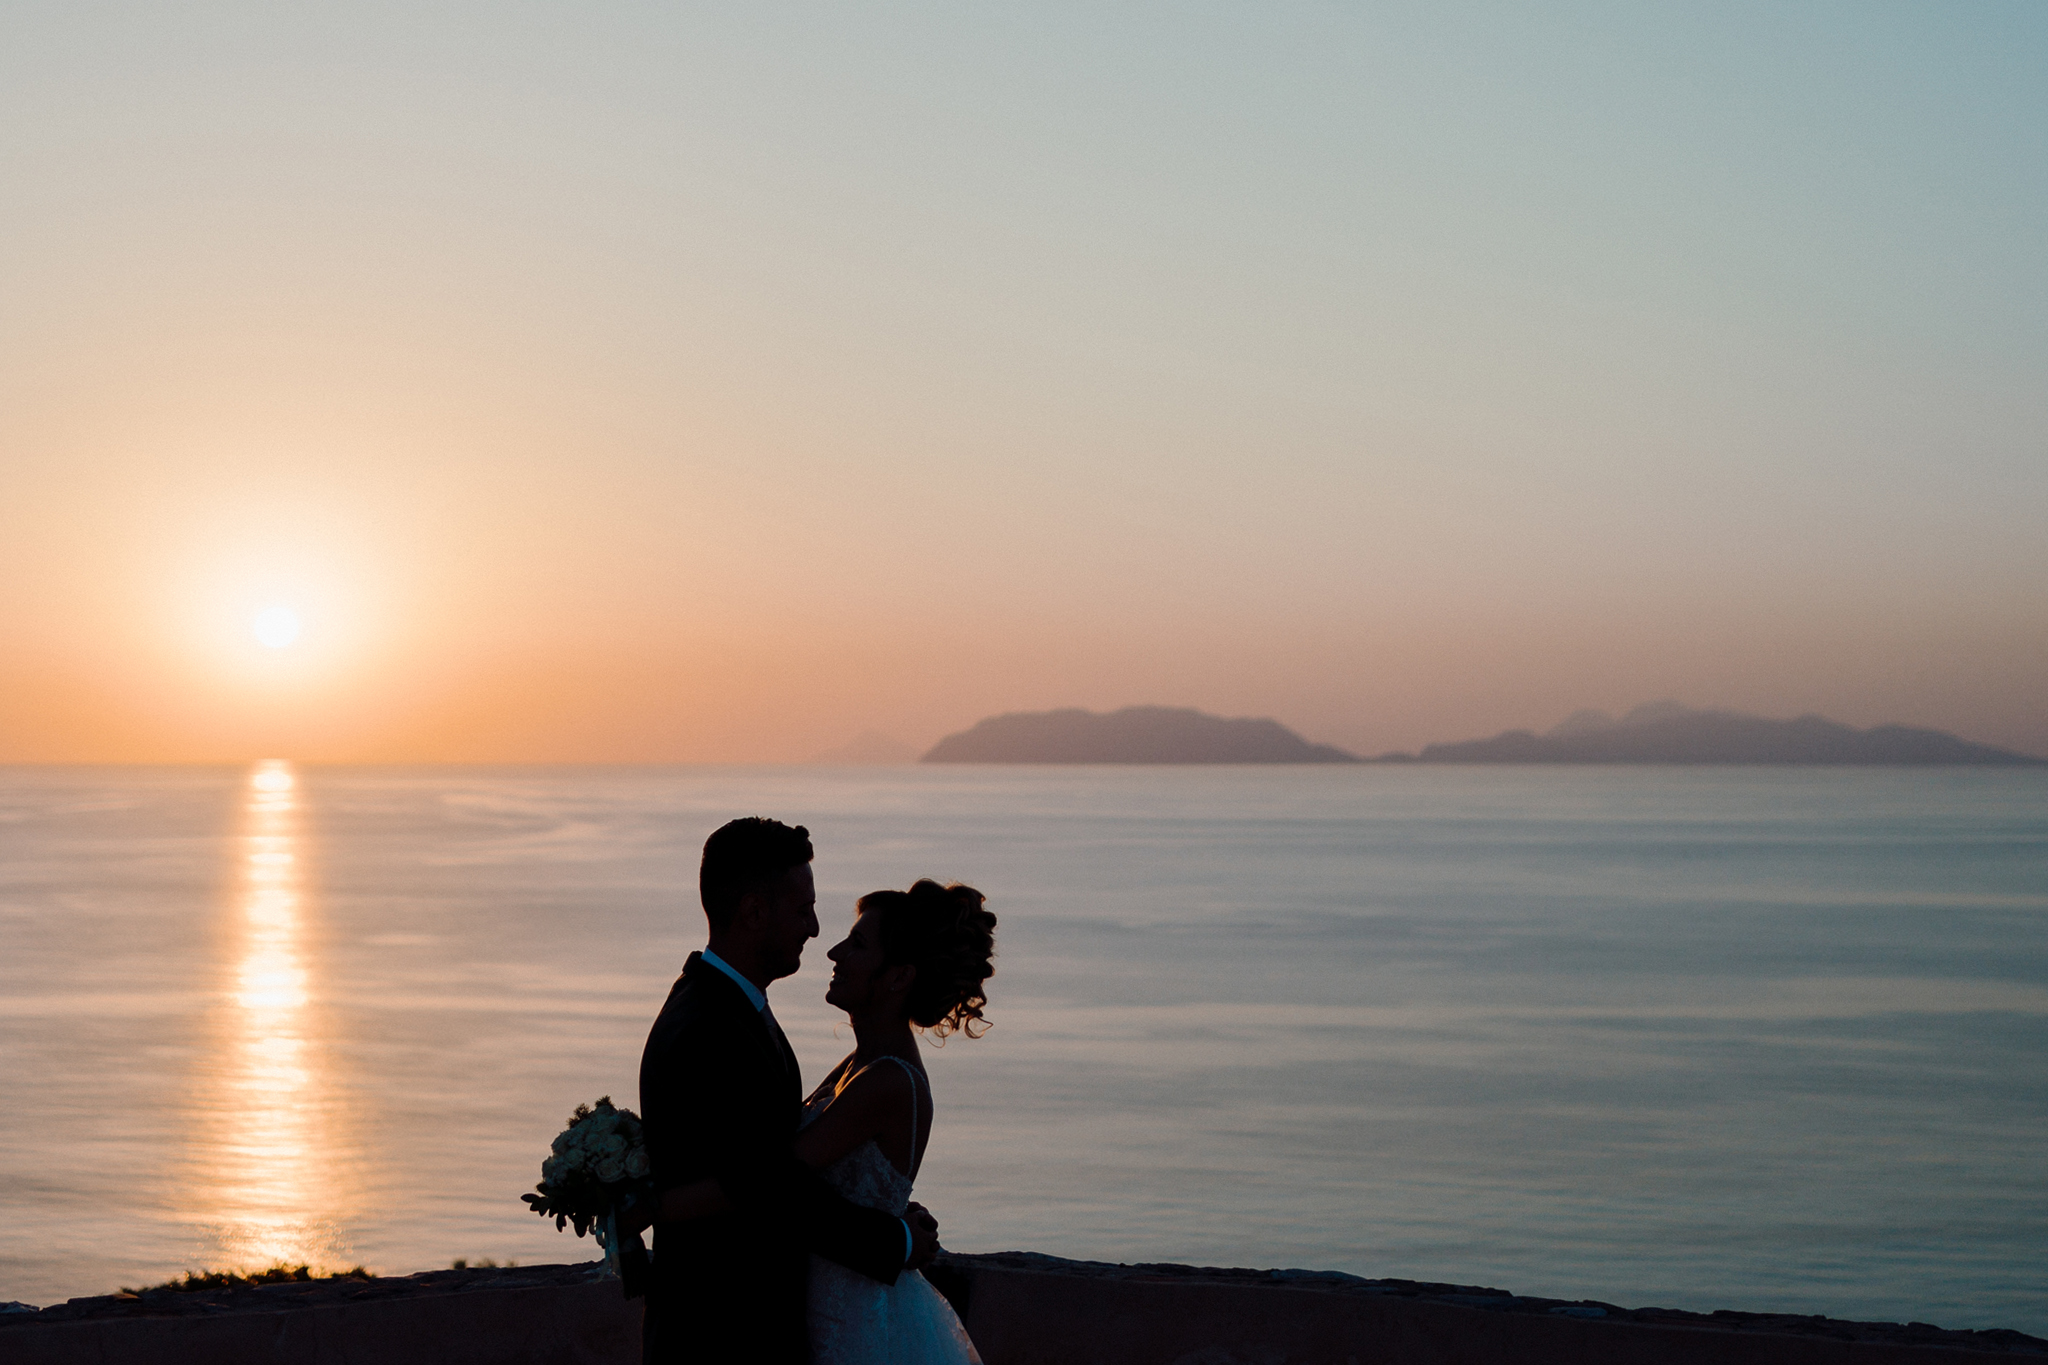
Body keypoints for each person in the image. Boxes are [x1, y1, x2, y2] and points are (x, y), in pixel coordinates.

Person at [649, 876, 997, 1365]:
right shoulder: (860, 1065)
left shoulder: (887, 1081)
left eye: (856, 944)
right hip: (821, 1305)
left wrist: (656, 1205)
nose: (833, 952)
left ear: (898, 977)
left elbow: (770, 1179)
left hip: (852, 1319)